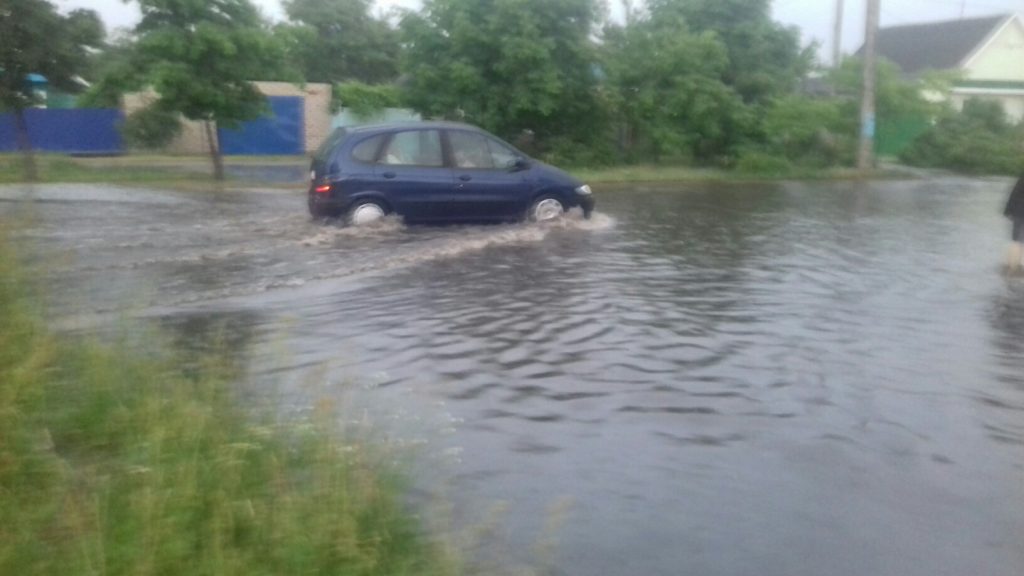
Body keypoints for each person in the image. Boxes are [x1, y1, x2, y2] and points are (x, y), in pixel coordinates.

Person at [1004, 173, 1024, 271]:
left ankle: (1011, 266)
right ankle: (1017, 266)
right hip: (1019, 212)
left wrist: (1007, 211)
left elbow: (1014, 194)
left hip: (1018, 212)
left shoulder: (1022, 177)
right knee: (1020, 241)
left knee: (1016, 240)